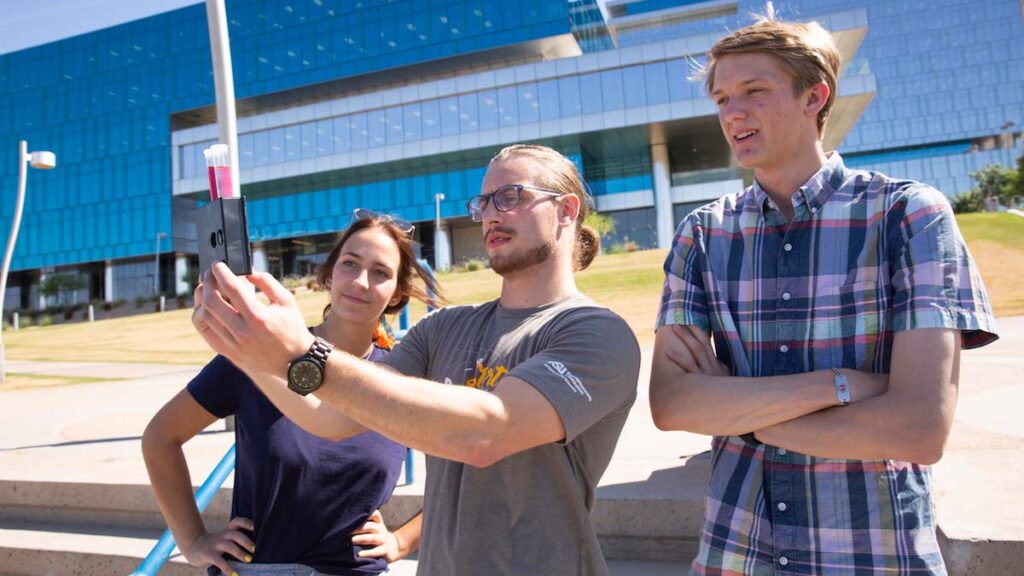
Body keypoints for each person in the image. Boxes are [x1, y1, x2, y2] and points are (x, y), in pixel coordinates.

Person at [649, 13, 998, 576]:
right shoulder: (703, 233)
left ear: (816, 96)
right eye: (721, 99)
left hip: (872, 554)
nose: (732, 113)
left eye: (753, 92)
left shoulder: (908, 215)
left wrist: (741, 410)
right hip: (736, 551)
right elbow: (672, 405)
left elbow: (919, 429)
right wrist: (842, 387)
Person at [192, 144, 641, 575]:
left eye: (511, 197)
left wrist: (298, 351)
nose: (490, 214)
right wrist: (248, 350)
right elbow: (331, 416)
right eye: (484, 202)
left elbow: (485, 433)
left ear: (566, 210)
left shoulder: (597, 334)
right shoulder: (442, 329)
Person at [142, 210, 439, 576]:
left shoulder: (399, 378)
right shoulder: (261, 351)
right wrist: (192, 540)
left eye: (380, 272)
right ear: (329, 274)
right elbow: (160, 437)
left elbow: (465, 465)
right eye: (350, 263)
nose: (361, 281)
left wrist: (402, 540)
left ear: (397, 294)